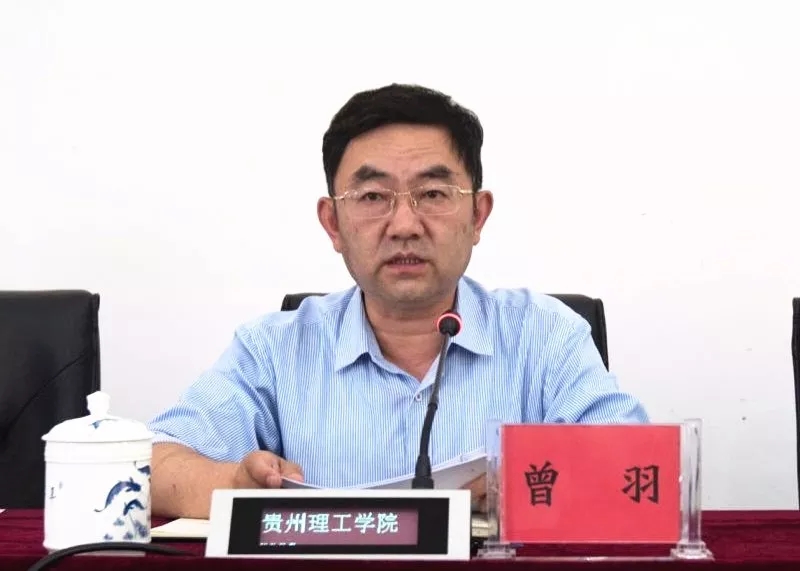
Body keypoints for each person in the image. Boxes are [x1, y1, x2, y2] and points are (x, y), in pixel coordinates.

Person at [147, 83, 648, 519]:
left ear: (477, 216)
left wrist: (526, 485)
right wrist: (235, 486)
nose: (405, 225)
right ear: (332, 224)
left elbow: (638, 472)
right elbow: (151, 465)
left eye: (433, 194)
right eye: (372, 197)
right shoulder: (274, 350)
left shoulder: (546, 335)